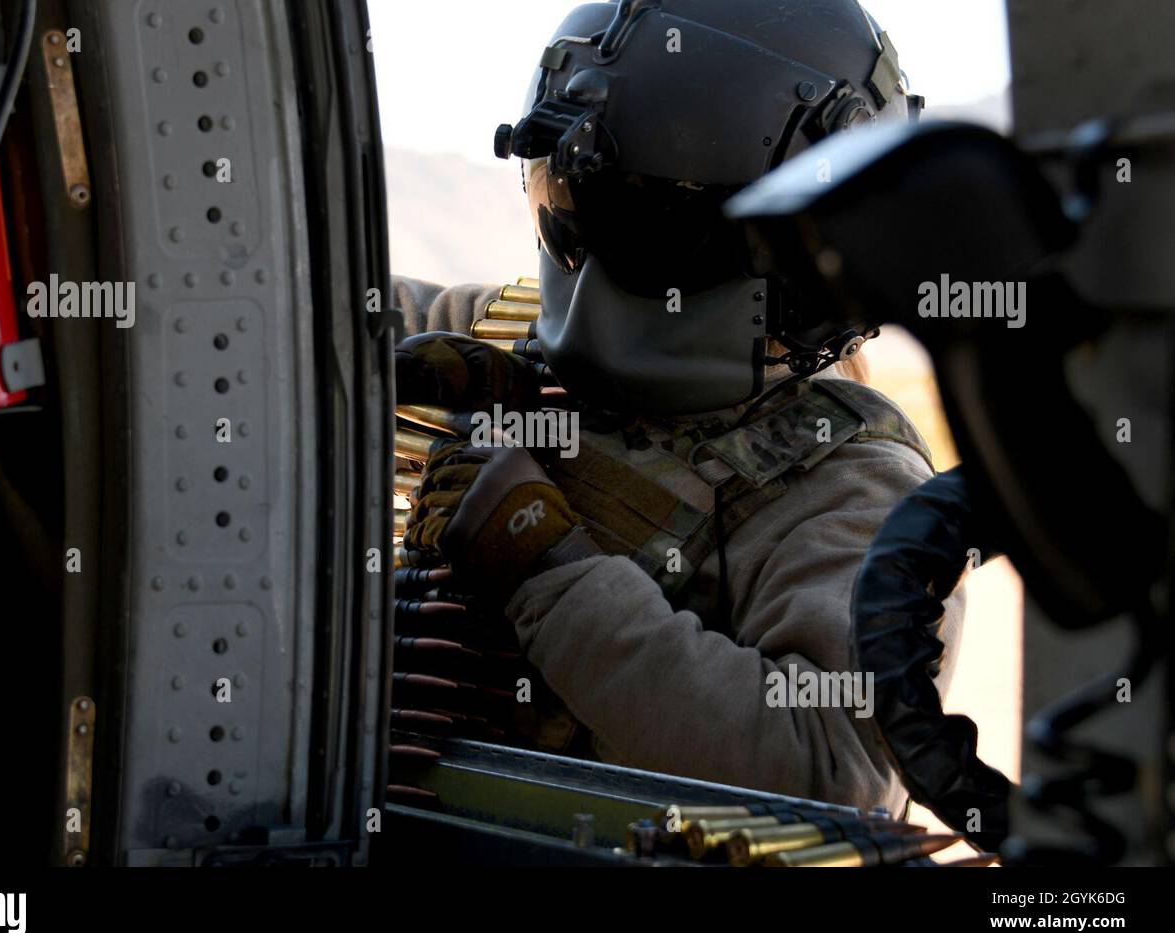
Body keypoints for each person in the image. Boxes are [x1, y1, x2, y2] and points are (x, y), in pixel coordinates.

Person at [392, 0, 963, 813]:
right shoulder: (499, 335)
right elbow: (287, 315)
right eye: (575, 207)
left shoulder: (855, 487)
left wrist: (552, 575)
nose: (594, 284)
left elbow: (840, 771)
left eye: (661, 230)